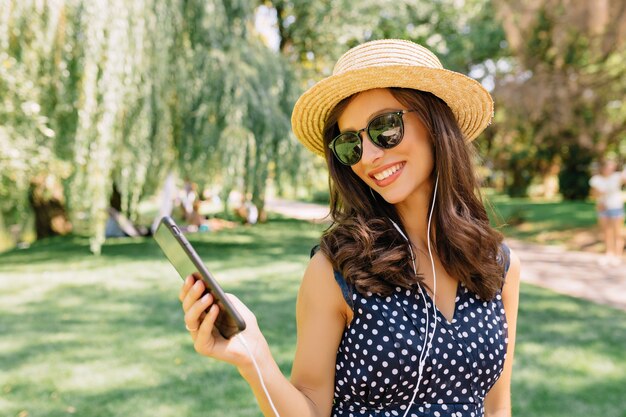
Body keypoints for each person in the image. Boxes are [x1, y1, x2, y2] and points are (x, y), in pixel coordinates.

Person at [178, 39, 521, 417]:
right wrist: (254, 356)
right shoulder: (337, 270)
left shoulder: (498, 266)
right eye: (350, 144)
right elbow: (309, 406)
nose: (369, 156)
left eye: (385, 128)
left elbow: (497, 406)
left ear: (434, 121)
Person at [589, 158, 626, 266]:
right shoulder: (596, 179)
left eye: (611, 166)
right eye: (607, 166)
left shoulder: (617, 176)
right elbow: (593, 193)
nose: (609, 169)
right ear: (603, 168)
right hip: (603, 209)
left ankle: (618, 255)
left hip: (616, 207)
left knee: (617, 232)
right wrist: (599, 199)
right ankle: (609, 254)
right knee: (606, 232)